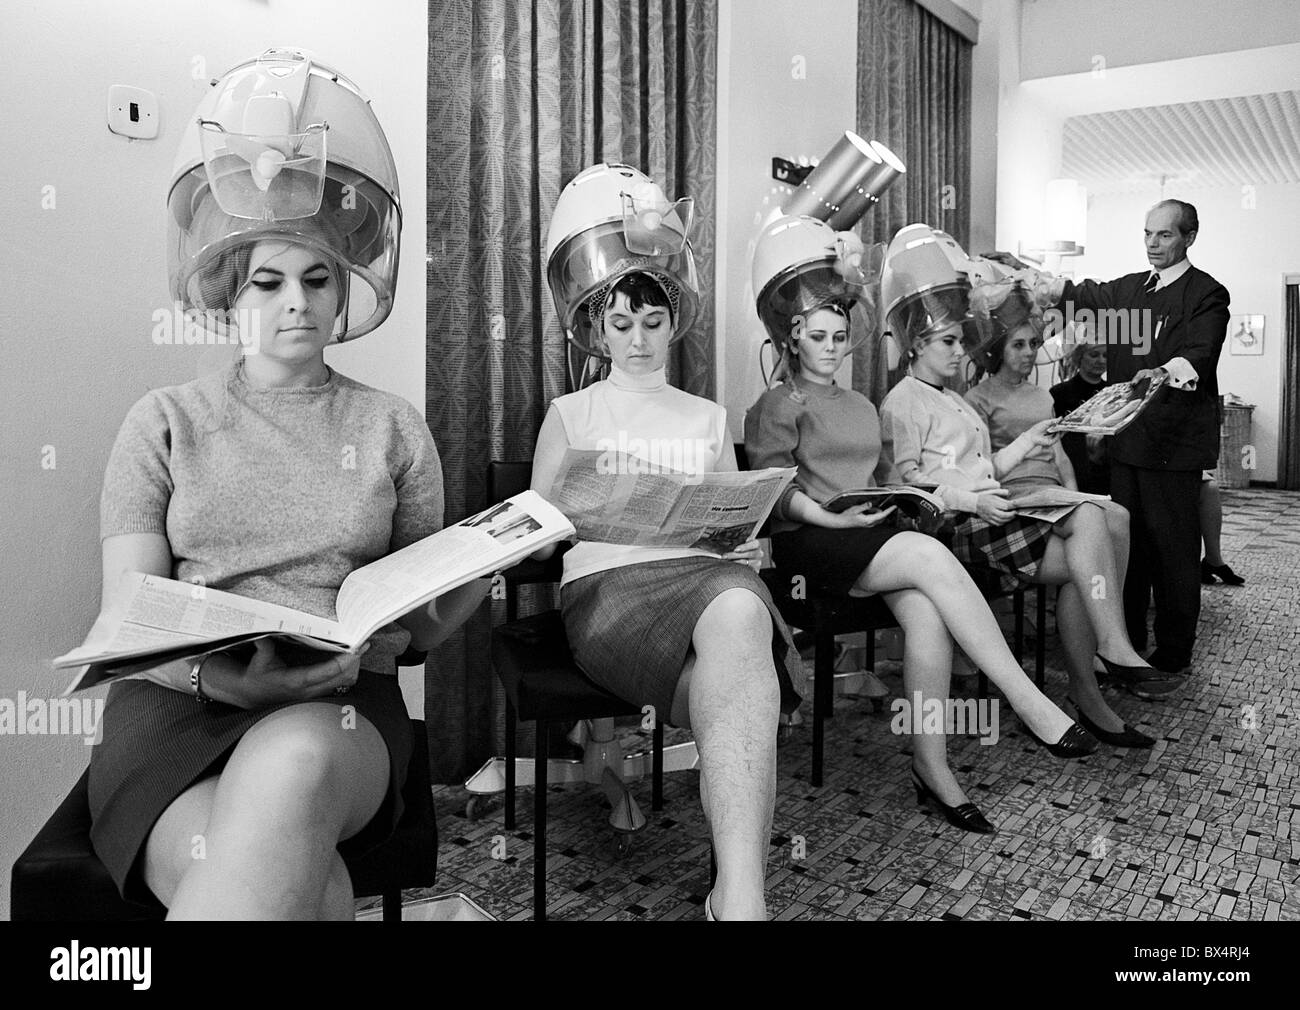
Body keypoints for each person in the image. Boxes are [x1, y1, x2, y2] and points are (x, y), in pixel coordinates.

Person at [88, 51, 488, 920]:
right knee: (304, 889)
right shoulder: (162, 421)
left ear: (343, 290)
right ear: (231, 292)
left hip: (337, 711)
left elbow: (412, 625)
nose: (295, 303)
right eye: (268, 281)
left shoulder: (391, 426)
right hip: (176, 706)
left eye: (317, 280)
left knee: (292, 777)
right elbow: (128, 616)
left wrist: (470, 581)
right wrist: (221, 682)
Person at [744, 216, 1097, 838]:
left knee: (927, 613)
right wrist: (829, 513)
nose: (831, 347)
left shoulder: (858, 405)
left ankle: (933, 769)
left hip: (869, 534)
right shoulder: (775, 406)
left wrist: (904, 498)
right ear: (793, 339)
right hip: (810, 546)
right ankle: (1027, 699)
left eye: (839, 335)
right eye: (817, 337)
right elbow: (774, 493)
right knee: (928, 557)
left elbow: (887, 477)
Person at [532, 164, 802, 921]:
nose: (639, 339)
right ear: (596, 325)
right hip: (608, 590)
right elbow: (540, 530)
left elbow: (733, 524)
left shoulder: (707, 416)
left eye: (652, 322)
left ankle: (739, 900)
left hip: (706, 582)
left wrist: (748, 549)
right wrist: (577, 508)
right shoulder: (571, 412)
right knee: (742, 678)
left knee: (742, 607)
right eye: (622, 324)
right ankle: (739, 902)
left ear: (672, 319)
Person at [1008, 200, 1231, 675]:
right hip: (1127, 445)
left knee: (1173, 551)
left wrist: (1163, 371)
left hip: (1173, 447)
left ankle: (1173, 653)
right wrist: (1040, 285)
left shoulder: (1208, 294)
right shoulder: (1130, 290)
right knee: (1128, 550)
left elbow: (1201, 353)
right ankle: (1125, 643)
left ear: (1189, 237)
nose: (1152, 244)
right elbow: (1084, 295)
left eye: (1164, 236)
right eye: (1148, 234)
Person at [961, 281, 1173, 732]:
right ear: (997, 349)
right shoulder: (975, 400)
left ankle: (1092, 673)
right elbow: (981, 470)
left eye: (1033, 343)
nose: (1027, 352)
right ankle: (1109, 648)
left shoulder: (1042, 396)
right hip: (1014, 498)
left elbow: (1057, 453)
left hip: (1051, 496)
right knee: (1097, 524)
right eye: (1017, 344)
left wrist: (1078, 493)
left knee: (1117, 514)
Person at [1050, 341, 1111, 495]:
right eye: (1094, 355)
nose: (1101, 360)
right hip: (1070, 471)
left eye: (1105, 355)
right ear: (1080, 357)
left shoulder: (1112, 392)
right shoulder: (1059, 393)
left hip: (1104, 472)